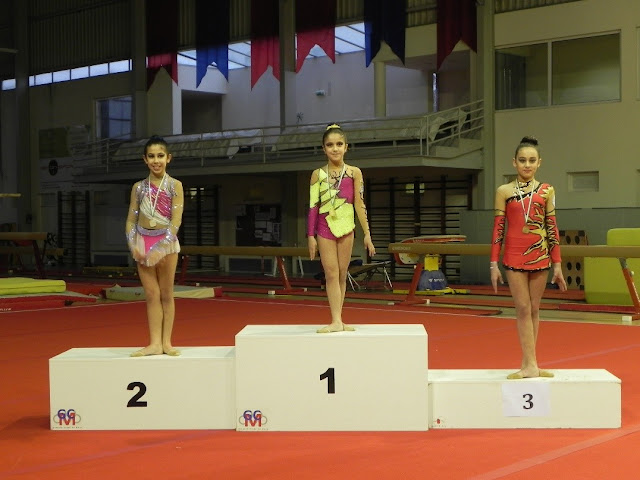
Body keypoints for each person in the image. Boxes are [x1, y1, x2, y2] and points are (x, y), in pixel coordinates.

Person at [490, 135, 567, 379]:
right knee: (522, 308)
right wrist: (493, 264)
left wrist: (557, 264)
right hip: (513, 257)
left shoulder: (547, 191)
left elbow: (552, 228)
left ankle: (530, 363)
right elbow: (498, 229)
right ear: (514, 162)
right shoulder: (504, 191)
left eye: (532, 160)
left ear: (539, 162)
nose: (527, 165)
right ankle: (530, 364)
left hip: (540, 256)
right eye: (522, 160)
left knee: (534, 308)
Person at [307, 124, 376, 333]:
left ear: (346, 147)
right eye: (330, 145)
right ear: (323, 148)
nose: (335, 148)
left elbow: (360, 204)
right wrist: (310, 236)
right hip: (324, 228)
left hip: (346, 227)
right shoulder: (317, 174)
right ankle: (335, 320)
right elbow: (313, 206)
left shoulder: (354, 173)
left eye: (339, 144)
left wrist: (367, 234)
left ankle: (339, 319)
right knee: (331, 273)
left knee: (342, 273)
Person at [125, 135, 184, 357]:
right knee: (151, 294)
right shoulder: (138, 188)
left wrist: (161, 247)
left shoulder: (175, 186)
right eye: (151, 156)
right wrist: (133, 244)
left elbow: (176, 220)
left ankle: (166, 342)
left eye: (160, 156)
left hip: (166, 243)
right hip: (143, 242)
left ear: (168, 158)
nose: (156, 160)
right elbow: (131, 219)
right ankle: (154, 344)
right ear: (145, 159)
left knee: (166, 293)